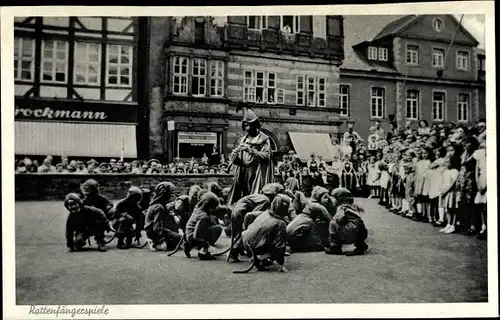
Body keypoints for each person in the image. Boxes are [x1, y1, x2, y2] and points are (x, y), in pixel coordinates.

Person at [227, 108, 274, 205]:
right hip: (244, 171)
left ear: (255, 125)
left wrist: (249, 150)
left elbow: (266, 156)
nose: (247, 129)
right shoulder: (244, 139)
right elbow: (240, 161)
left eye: (249, 125)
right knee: (243, 193)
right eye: (245, 126)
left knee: (254, 194)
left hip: (257, 171)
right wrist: (234, 158)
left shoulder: (264, 139)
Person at [241, 194, 290, 272]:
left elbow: (248, 215)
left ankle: (257, 257)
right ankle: (260, 257)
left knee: (266, 236)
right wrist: (281, 264)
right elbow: (280, 246)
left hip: (246, 243)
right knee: (281, 244)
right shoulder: (280, 223)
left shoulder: (265, 213)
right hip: (256, 249)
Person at [286, 186, 332, 252]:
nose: (327, 200)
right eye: (325, 197)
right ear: (318, 197)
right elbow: (330, 220)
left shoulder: (310, 204)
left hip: (291, 234)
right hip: (302, 227)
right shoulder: (319, 206)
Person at [324, 188, 368, 256]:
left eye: (333, 197)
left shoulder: (342, 207)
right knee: (354, 225)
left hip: (351, 233)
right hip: (362, 232)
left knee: (332, 223)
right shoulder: (353, 206)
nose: (331, 199)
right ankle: (361, 245)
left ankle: (335, 247)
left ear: (340, 198)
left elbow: (339, 218)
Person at [184, 192, 224, 260]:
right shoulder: (204, 216)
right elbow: (197, 233)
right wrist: (205, 244)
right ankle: (203, 251)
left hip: (188, 233)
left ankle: (190, 245)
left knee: (216, 227)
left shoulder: (197, 209)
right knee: (218, 229)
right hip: (194, 236)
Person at [144, 182, 181, 252]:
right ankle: (155, 243)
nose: (170, 195)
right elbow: (157, 226)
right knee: (178, 240)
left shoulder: (156, 204)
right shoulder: (159, 207)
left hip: (151, 229)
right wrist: (160, 239)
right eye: (169, 193)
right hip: (153, 231)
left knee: (177, 238)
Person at [438, 158, 460, 234]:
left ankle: (453, 225)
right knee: (447, 208)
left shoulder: (455, 171)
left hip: (452, 191)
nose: (445, 164)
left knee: (453, 208)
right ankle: (448, 224)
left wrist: (445, 191)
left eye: (447, 162)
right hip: (446, 192)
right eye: (445, 162)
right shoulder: (445, 171)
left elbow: (452, 183)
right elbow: (443, 181)